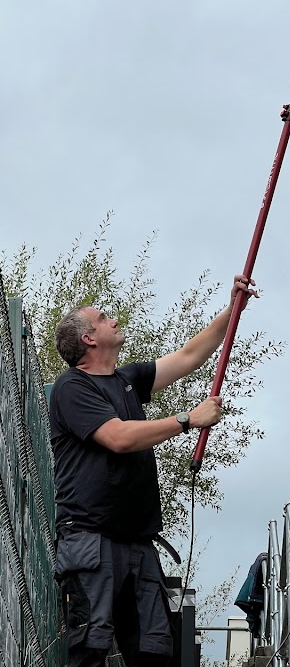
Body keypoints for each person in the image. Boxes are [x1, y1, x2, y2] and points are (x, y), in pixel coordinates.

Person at [49, 274, 257, 667]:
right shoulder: (71, 388)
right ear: (88, 339)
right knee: (90, 649)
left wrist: (234, 309)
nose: (114, 320)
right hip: (90, 541)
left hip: (139, 545)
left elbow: (190, 355)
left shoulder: (127, 380)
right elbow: (119, 437)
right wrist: (187, 419)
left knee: (155, 651)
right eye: (104, 318)